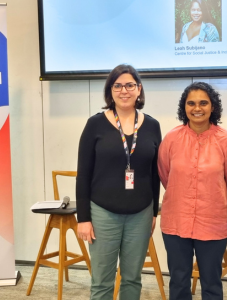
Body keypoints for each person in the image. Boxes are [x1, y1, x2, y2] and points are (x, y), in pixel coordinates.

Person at [76, 64, 162, 300]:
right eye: (118, 85)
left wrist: (154, 212)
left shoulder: (152, 125)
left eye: (130, 85)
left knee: (133, 278)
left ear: (139, 89)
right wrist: (83, 218)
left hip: (141, 214)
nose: (124, 90)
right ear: (110, 90)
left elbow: (155, 174)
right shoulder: (95, 124)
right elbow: (83, 173)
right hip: (103, 212)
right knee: (102, 281)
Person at [157, 82, 227, 300]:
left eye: (204, 103)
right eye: (191, 103)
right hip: (176, 222)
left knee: (212, 283)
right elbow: (166, 175)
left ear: (213, 107)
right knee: (178, 281)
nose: (197, 108)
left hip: (212, 221)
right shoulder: (171, 139)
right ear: (184, 108)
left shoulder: (226, 141)